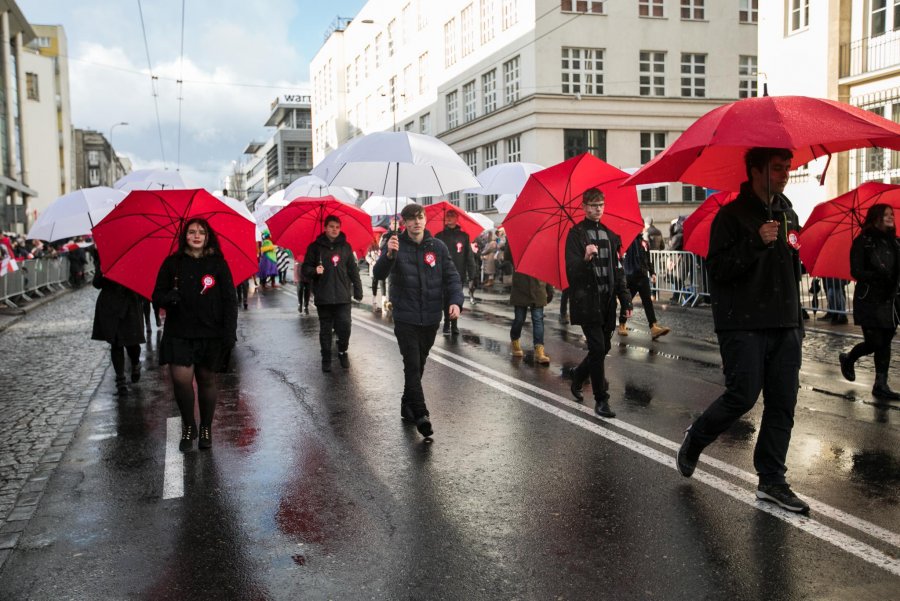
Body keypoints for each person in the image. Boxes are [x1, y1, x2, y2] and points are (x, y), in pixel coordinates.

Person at [676, 147, 809, 513]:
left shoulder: (788, 211)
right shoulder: (731, 217)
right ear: (754, 171)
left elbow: (793, 262)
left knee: (783, 401)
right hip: (744, 323)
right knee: (743, 396)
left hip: (785, 322)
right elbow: (717, 270)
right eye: (777, 168)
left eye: (787, 168)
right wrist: (756, 241)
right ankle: (696, 439)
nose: (784, 174)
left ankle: (772, 480)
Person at [373, 203, 464, 439]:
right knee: (412, 364)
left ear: (425, 219)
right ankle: (421, 414)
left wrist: (455, 301)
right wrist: (389, 255)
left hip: (432, 316)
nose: (417, 222)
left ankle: (407, 404)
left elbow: (452, 277)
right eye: (411, 219)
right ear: (404, 222)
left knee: (420, 364)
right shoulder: (393, 244)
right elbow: (379, 274)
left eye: (420, 217)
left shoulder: (438, 247)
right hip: (406, 315)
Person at [153, 218, 238, 452]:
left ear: (208, 236)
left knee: (207, 381)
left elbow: (230, 300)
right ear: (185, 237)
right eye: (191, 232)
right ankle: (189, 426)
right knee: (181, 381)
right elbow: (157, 294)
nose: (197, 236)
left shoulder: (218, 264)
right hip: (179, 332)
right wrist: (169, 297)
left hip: (211, 333)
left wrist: (229, 333)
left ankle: (206, 428)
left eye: (201, 232)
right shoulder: (173, 264)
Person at [565, 188, 632, 419]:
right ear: (583, 207)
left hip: (607, 303)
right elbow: (571, 272)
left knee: (604, 347)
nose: (598, 209)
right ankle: (601, 400)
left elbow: (619, 272)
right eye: (593, 205)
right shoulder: (576, 235)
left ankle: (578, 375)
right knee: (597, 348)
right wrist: (584, 259)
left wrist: (625, 300)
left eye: (601, 204)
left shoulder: (610, 236)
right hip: (586, 301)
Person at [839, 204, 900, 400]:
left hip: (891, 300)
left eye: (892, 214)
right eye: (886, 214)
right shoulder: (862, 242)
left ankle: (880, 384)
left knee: (886, 341)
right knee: (875, 342)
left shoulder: (895, 242)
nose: (891, 217)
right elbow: (855, 271)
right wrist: (876, 275)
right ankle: (849, 358)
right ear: (876, 217)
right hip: (869, 300)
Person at [301, 215, 364, 372]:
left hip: (343, 296)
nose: (334, 230)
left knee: (345, 327)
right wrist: (315, 270)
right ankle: (326, 357)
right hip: (324, 296)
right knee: (325, 329)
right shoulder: (315, 247)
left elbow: (353, 270)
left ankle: (342, 351)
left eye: (337, 227)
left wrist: (358, 289)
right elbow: (305, 269)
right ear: (325, 228)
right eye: (331, 226)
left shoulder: (346, 247)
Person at [92, 264, 146, 395]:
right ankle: (120, 380)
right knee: (115, 344)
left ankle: (135, 363)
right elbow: (97, 283)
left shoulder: (135, 261)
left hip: (130, 306)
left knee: (132, 343)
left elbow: (142, 281)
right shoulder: (107, 260)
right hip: (110, 307)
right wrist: (103, 272)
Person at [617, 235, 670, 340]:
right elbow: (620, 255)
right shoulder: (626, 241)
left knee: (647, 302)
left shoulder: (644, 242)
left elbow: (648, 259)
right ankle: (622, 324)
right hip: (630, 276)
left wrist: (652, 272)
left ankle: (653, 326)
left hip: (643, 276)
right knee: (627, 301)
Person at [435, 208, 476, 336]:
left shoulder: (464, 236)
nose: (449, 218)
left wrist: (472, 274)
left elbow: (469, 257)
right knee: (445, 298)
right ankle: (447, 322)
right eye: (447, 215)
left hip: (458, 273)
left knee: (456, 298)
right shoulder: (439, 236)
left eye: (452, 215)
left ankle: (455, 324)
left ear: (457, 218)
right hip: (442, 273)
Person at [509, 270, 553, 364]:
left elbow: (547, 272)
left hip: (538, 289)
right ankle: (515, 340)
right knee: (519, 319)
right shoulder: (519, 256)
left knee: (538, 319)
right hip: (520, 289)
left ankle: (539, 350)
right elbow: (507, 256)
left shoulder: (543, 256)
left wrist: (549, 290)